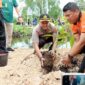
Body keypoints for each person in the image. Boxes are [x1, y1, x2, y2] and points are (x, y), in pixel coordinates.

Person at [62, 2, 85, 73]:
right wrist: (71, 53)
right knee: (74, 52)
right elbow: (77, 40)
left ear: (77, 12)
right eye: (65, 16)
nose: (67, 18)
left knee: (81, 70)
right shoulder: (73, 24)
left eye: (68, 15)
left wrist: (69, 56)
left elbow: (82, 42)